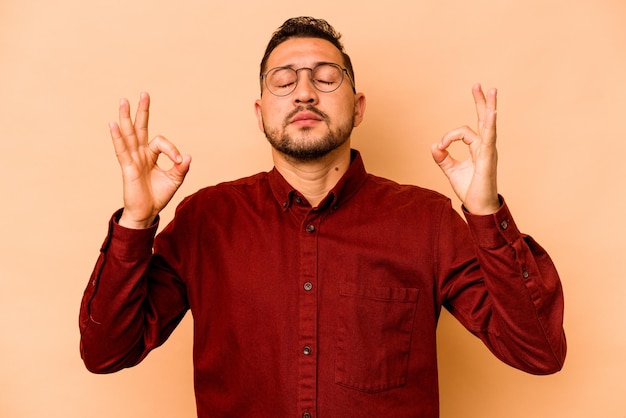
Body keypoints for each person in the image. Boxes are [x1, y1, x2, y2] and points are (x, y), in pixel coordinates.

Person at [79, 16, 566, 418]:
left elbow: (538, 352)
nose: (305, 93)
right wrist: (136, 222)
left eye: (326, 77)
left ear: (357, 109)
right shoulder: (207, 220)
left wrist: (485, 211)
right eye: (284, 81)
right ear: (260, 111)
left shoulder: (427, 221)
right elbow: (106, 352)